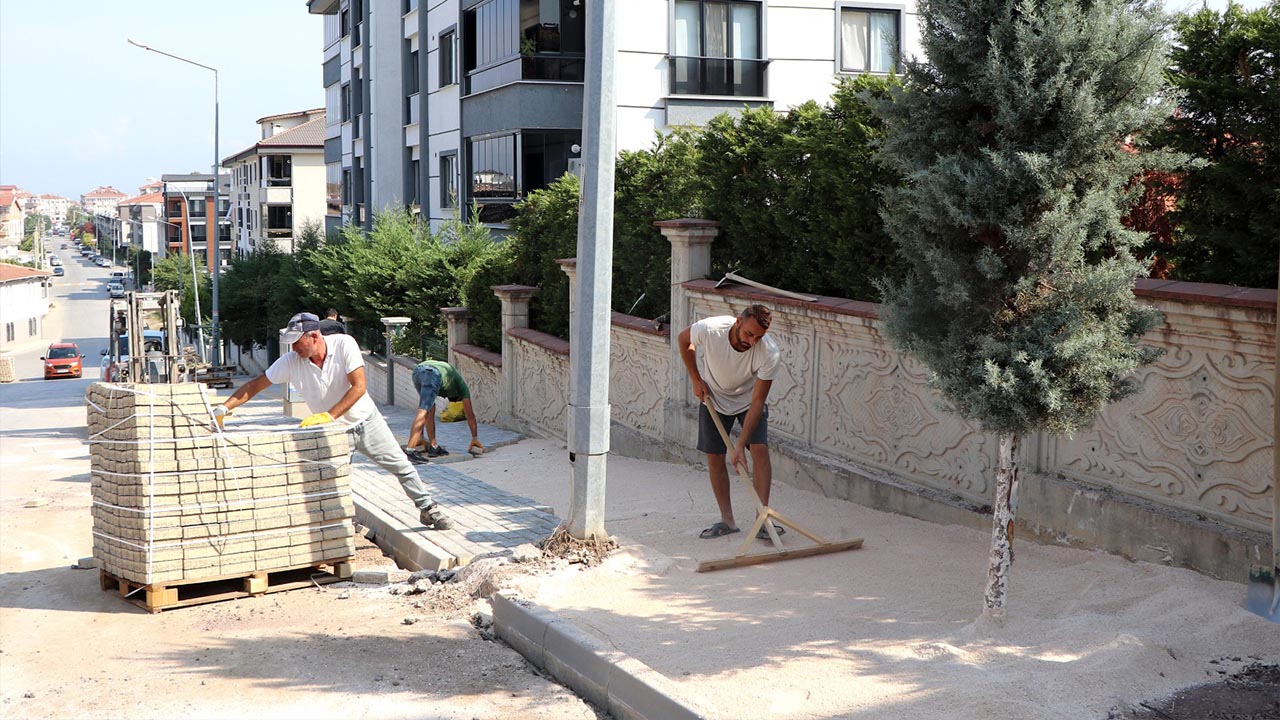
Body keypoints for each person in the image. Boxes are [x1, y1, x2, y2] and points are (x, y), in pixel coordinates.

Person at [214, 312, 450, 530]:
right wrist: (224, 407)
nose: (293, 347)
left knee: (401, 466)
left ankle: (428, 509)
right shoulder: (291, 361)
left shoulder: (344, 344)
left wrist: (329, 415)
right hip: (333, 432)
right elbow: (256, 384)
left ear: (314, 336)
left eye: (298, 342)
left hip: (366, 421)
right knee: (330, 479)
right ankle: (337, 524)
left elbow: (359, 387)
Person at [677, 304, 782, 540]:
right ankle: (727, 521)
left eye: (759, 337)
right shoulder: (709, 330)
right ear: (737, 322)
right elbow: (684, 341)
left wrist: (740, 445)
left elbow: (758, 402)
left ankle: (762, 520)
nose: (752, 341)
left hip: (748, 400)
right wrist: (696, 379)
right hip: (714, 397)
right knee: (714, 457)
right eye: (749, 334)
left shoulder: (769, 353)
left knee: (759, 450)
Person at [404, 359, 484, 463]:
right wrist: (475, 438)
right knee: (423, 410)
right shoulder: (462, 388)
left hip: (417, 372)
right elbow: (470, 416)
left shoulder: (451, 380)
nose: (446, 398)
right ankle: (410, 450)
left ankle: (434, 446)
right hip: (432, 373)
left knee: (429, 408)